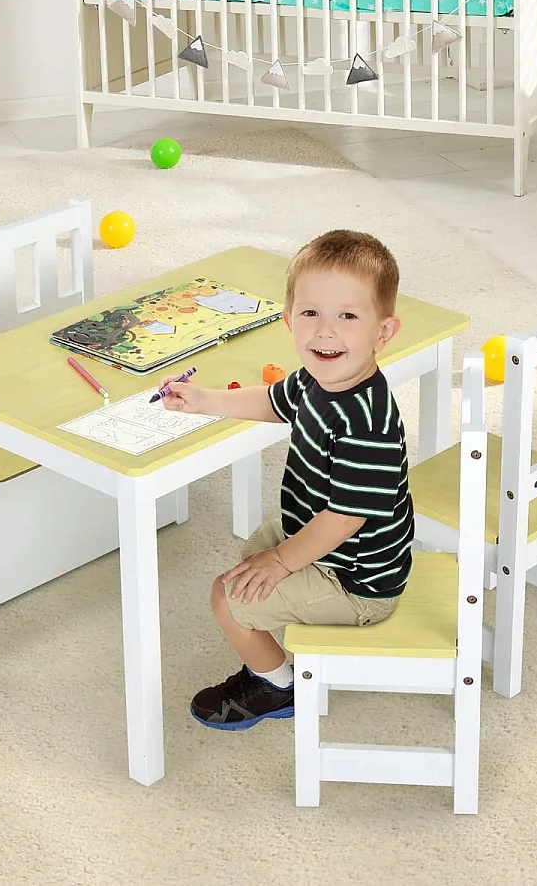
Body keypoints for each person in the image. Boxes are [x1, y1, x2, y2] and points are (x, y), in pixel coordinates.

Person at [158, 230, 415, 730]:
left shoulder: (368, 421)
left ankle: (278, 686)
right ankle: (273, 639)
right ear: (288, 319)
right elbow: (273, 401)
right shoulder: (318, 378)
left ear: (383, 333)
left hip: (359, 581)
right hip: (323, 541)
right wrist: (205, 400)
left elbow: (344, 519)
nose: (325, 332)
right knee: (250, 555)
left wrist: (280, 562)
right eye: (311, 313)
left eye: (347, 316)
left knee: (226, 598)